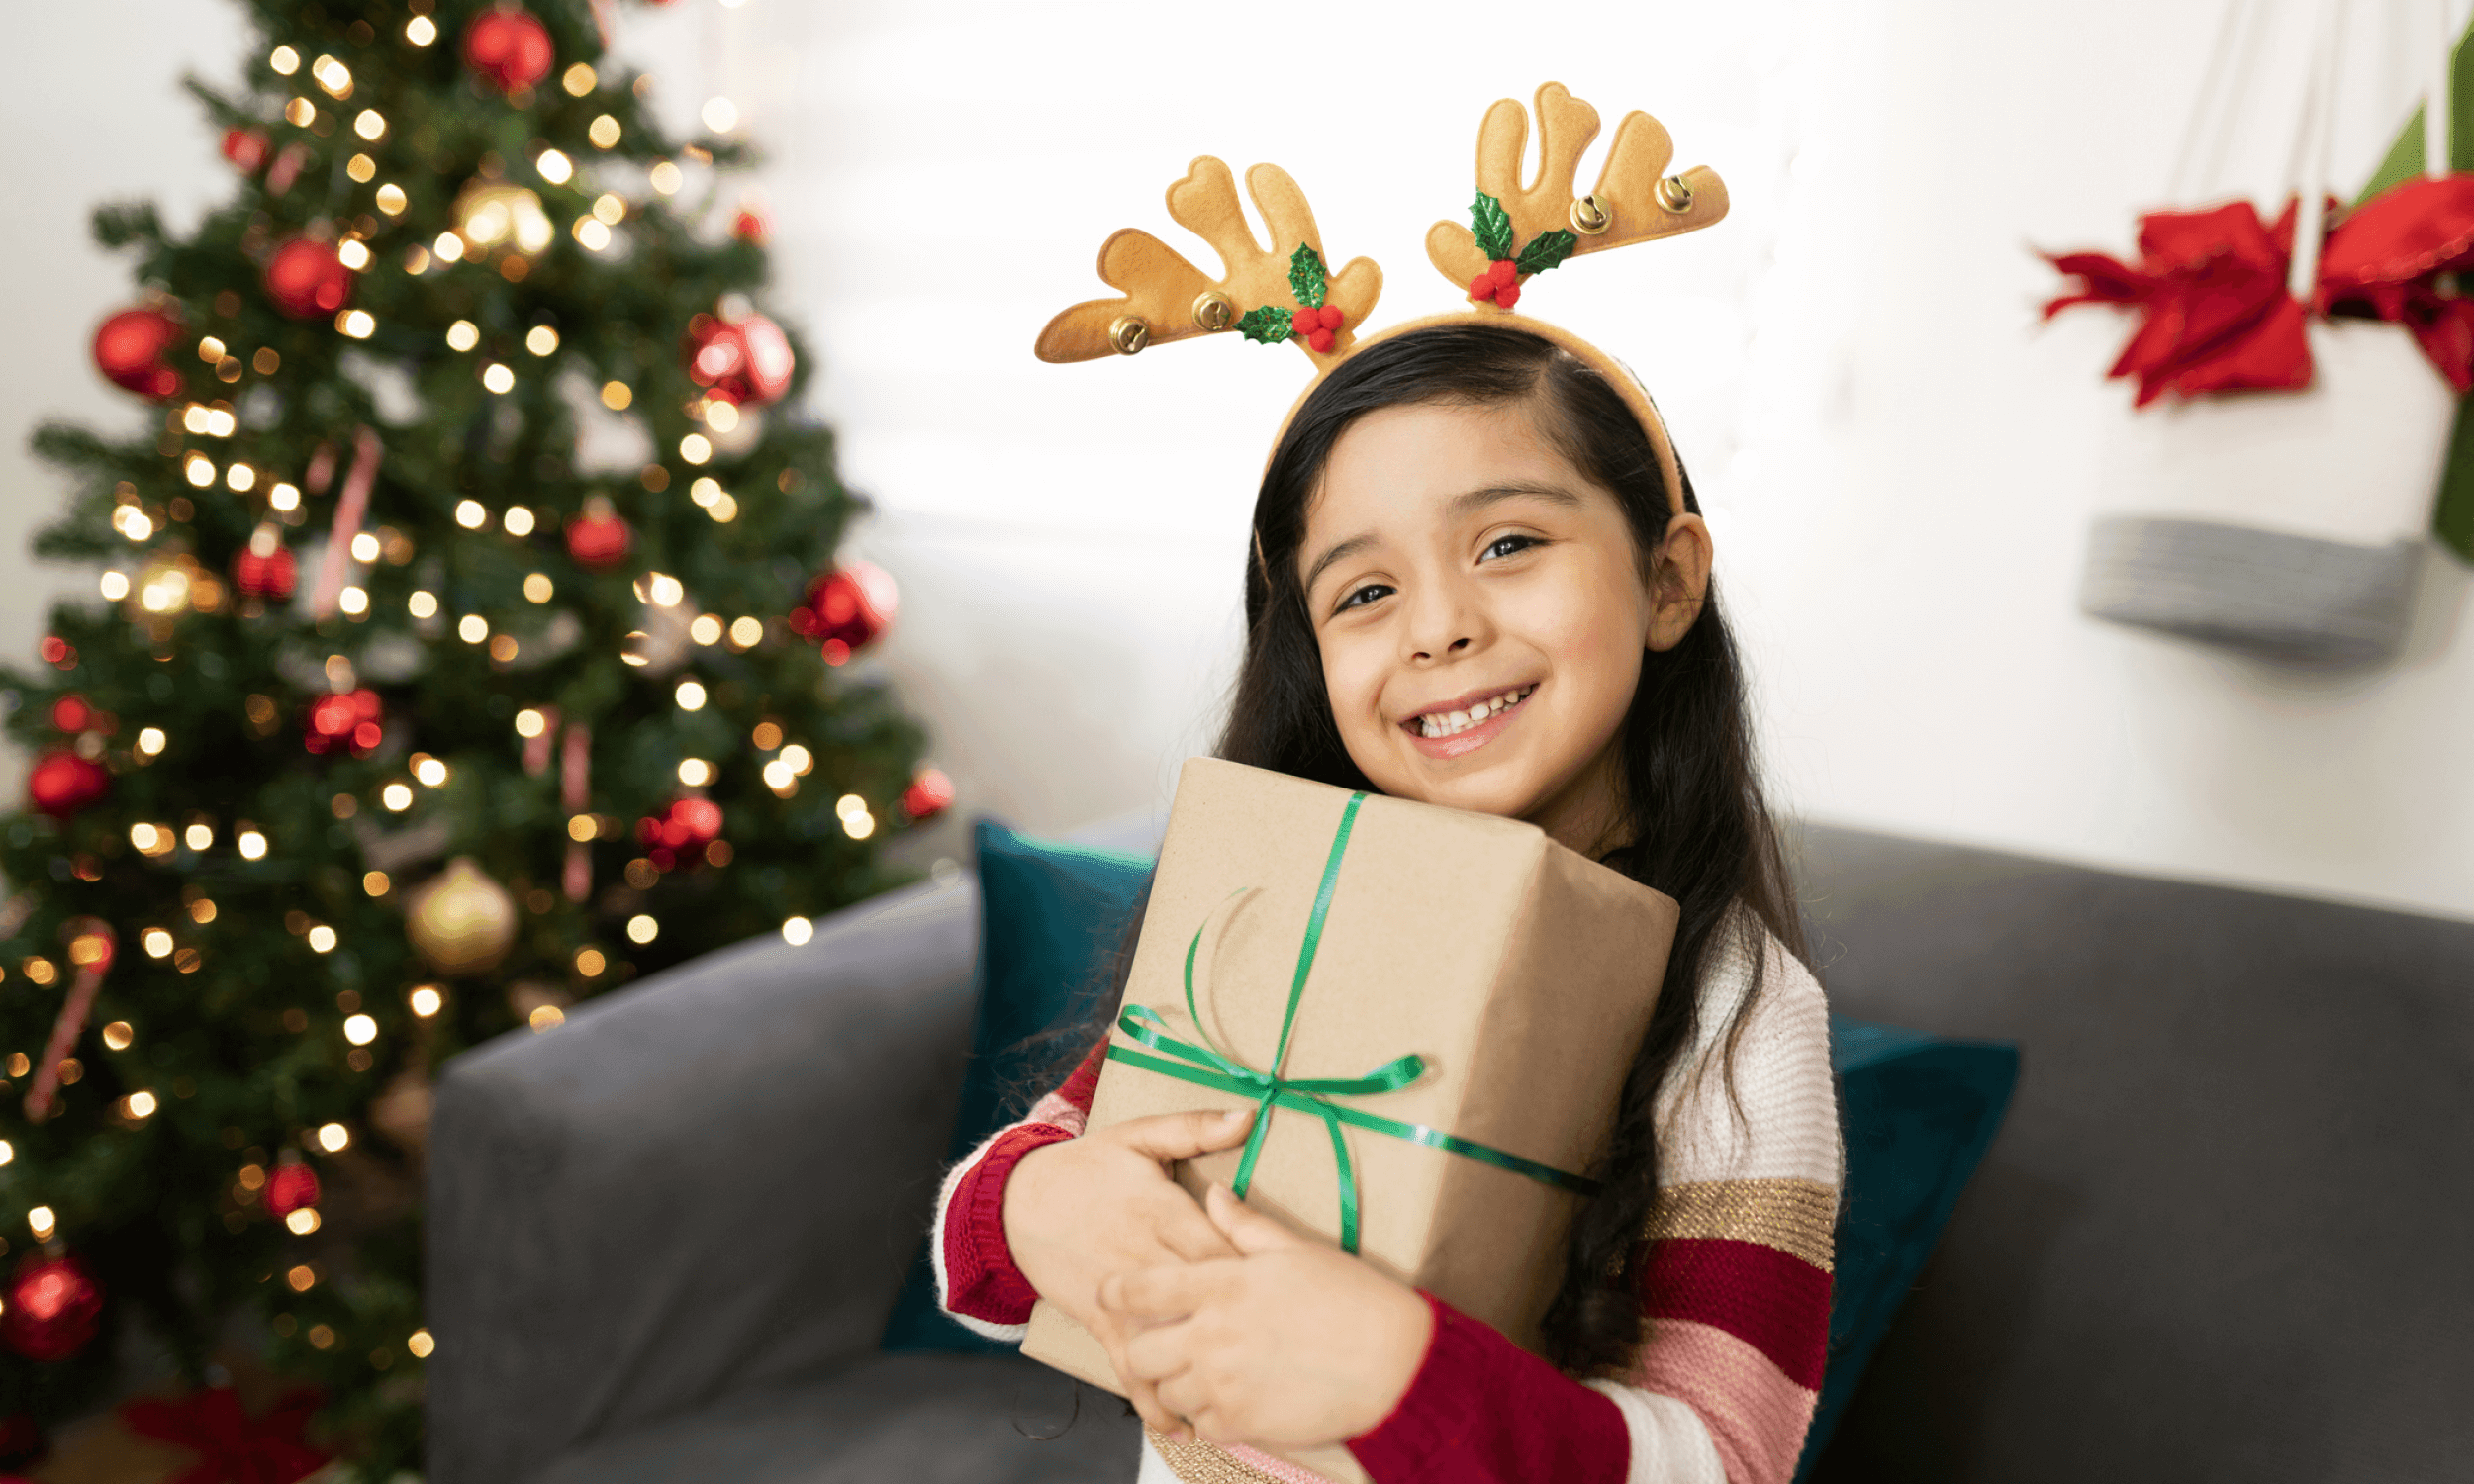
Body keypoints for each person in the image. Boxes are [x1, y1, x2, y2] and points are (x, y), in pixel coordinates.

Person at [931, 320, 1841, 1484]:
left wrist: (1398, 1379)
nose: (1438, 626)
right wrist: (1039, 1206)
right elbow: (986, 1254)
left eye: (1508, 542)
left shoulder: (1736, 1011)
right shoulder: (1277, 910)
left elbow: (1729, 1463)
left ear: (1666, 580)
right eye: (1364, 589)